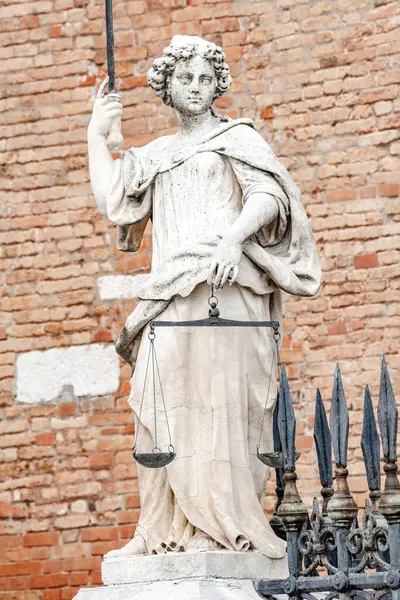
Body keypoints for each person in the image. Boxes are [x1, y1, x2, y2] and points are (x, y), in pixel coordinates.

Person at [87, 35, 320, 560]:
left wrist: (235, 238)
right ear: (166, 88)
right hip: (169, 292)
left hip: (226, 288)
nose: (195, 87)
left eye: (205, 79)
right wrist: (96, 135)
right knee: (158, 400)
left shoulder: (238, 138)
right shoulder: (158, 155)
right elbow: (112, 200)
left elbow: (269, 196)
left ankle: (226, 528)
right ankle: (160, 533)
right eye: (184, 79)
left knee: (223, 400)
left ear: (218, 85)